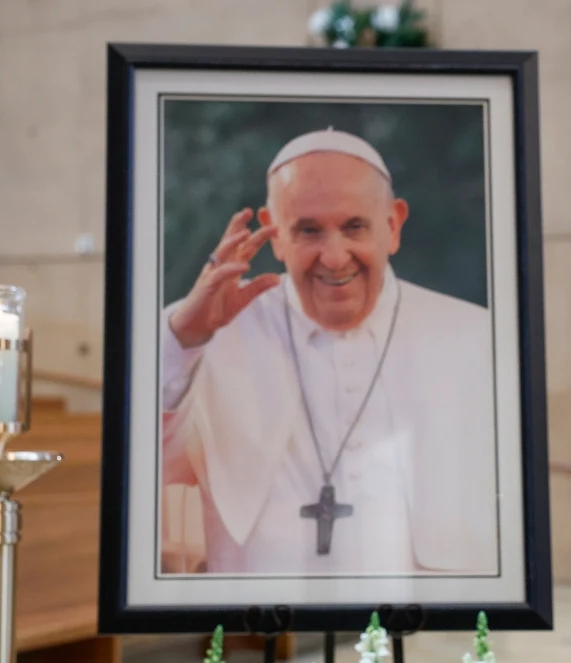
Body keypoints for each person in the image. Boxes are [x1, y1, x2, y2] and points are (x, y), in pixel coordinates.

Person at [160, 127, 499, 577]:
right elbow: (154, 465)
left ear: (392, 225)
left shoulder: (476, 336)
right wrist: (183, 340)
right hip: (259, 599)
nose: (335, 257)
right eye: (308, 230)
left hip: (425, 604)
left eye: (354, 226)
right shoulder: (211, 330)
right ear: (275, 233)